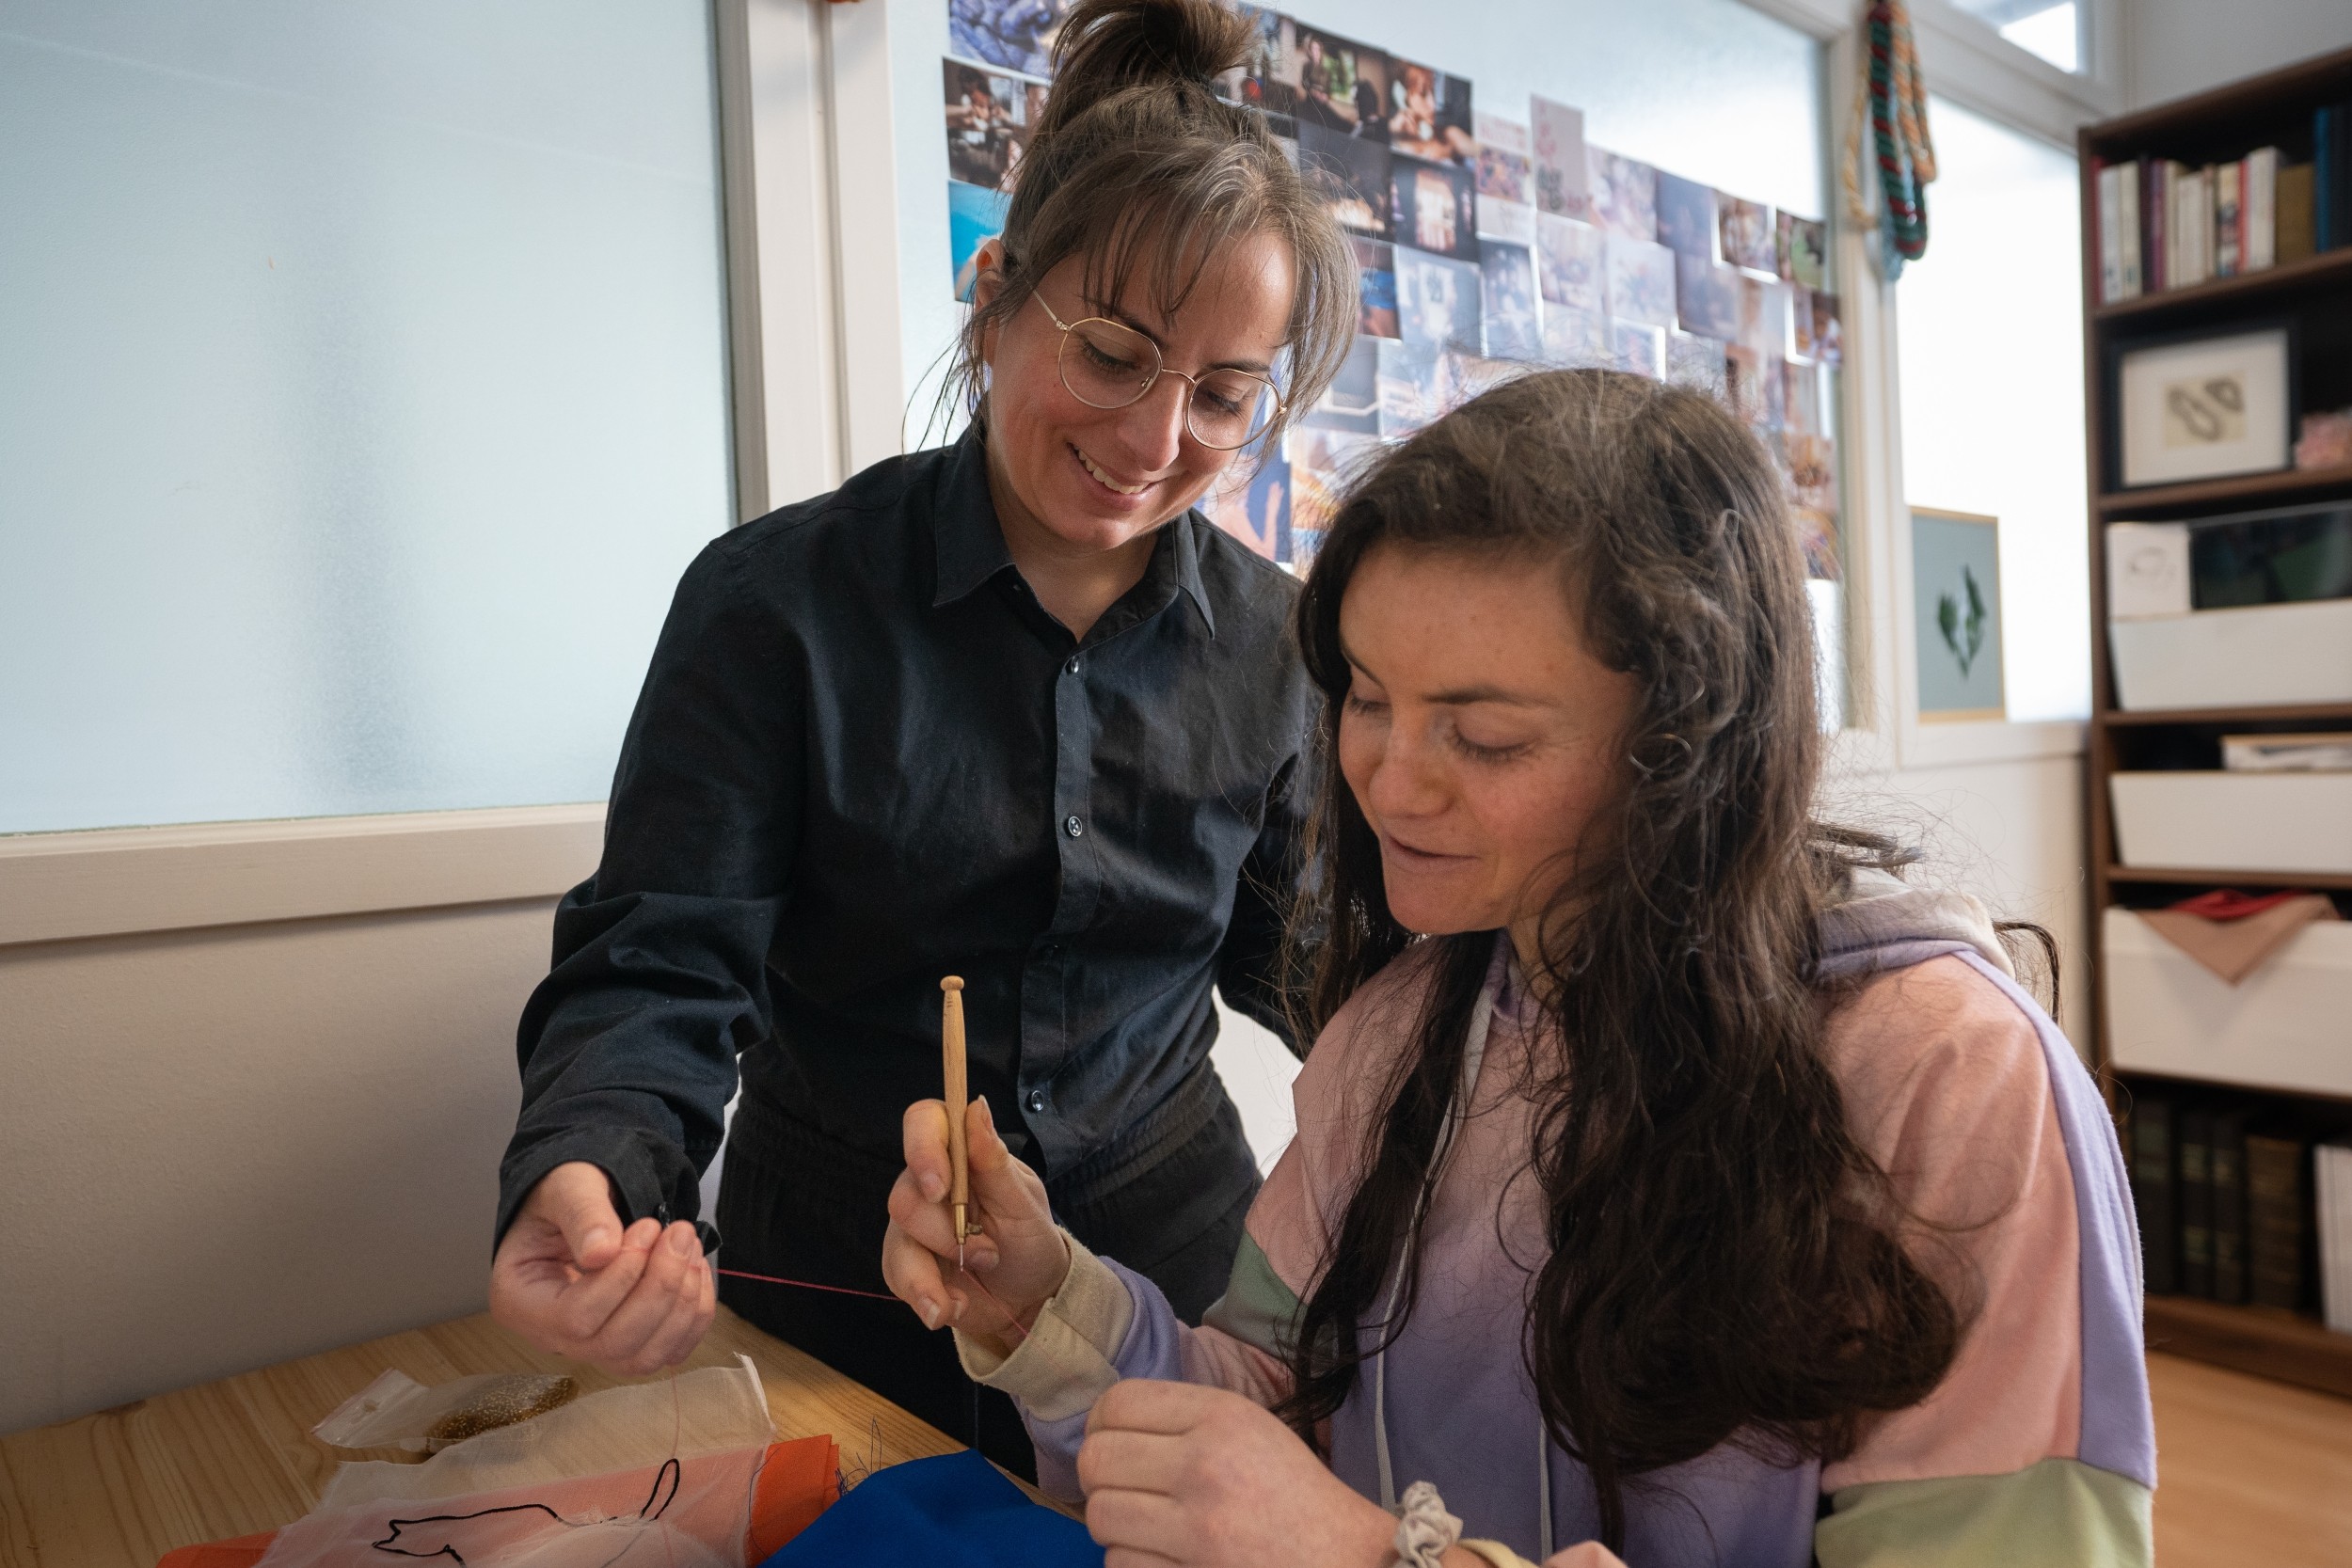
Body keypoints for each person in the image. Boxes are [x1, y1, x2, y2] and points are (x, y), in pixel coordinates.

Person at [883, 369, 2154, 1565]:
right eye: (1369, 700)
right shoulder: (1397, 1038)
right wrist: (1048, 1311)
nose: (1387, 779)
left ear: (1685, 745)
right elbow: (1262, 1420)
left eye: (1483, 736)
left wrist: (1378, 1554)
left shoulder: (1946, 1081)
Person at [486, 0, 1356, 1476]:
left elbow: (1328, 974)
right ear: (994, 294)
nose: (1157, 443)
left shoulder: (1280, 648)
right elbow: (660, 958)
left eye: (1222, 396)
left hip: (1167, 1265)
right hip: (838, 1260)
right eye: (1113, 353)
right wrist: (591, 1170)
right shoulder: (779, 604)